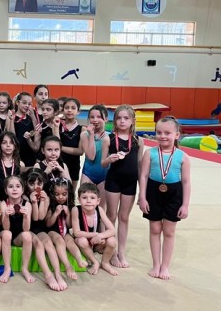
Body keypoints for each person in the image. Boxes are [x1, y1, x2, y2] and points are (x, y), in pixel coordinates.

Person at [138, 116, 191, 280]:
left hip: (174, 195)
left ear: (177, 135)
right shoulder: (150, 153)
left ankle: (165, 266)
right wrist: (142, 197)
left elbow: (186, 182)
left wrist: (185, 205)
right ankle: (156, 264)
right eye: (159, 132)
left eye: (167, 133)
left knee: (169, 231)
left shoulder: (183, 156)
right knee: (154, 229)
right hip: (153, 193)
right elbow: (143, 176)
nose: (162, 136)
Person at [0, 175, 65, 291]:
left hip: (20, 235)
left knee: (28, 235)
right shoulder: (4, 203)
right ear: (5, 190)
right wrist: (6, 215)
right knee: (6, 234)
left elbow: (26, 229)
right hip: (8, 233)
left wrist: (26, 216)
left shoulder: (27, 204)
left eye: (17, 186)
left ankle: (33, 271)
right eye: (10, 187)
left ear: (22, 190)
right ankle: (7, 268)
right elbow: (6, 228)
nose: (14, 189)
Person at [101, 104, 144, 269]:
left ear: (133, 121)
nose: (122, 121)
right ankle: (110, 250)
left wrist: (142, 191)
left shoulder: (138, 141)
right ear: (114, 121)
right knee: (111, 215)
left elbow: (140, 166)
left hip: (130, 183)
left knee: (124, 217)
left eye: (126, 118)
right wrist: (109, 159)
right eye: (119, 118)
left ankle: (121, 252)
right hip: (113, 181)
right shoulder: (109, 139)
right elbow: (103, 163)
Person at [24, 170, 69, 290]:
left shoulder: (46, 197)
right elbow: (34, 217)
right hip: (27, 228)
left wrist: (43, 201)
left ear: (43, 184)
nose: (36, 187)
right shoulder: (24, 197)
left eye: (39, 184)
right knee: (39, 244)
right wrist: (34, 202)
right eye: (32, 184)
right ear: (26, 183)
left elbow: (41, 217)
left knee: (48, 243)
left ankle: (58, 274)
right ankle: (48, 275)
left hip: (39, 228)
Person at [71, 183, 118, 276]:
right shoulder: (76, 210)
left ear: (98, 201)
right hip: (83, 243)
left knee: (112, 241)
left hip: (96, 243)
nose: (88, 201)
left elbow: (113, 230)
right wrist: (95, 235)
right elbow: (76, 233)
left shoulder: (99, 210)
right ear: (79, 200)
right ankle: (95, 262)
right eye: (84, 197)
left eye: (92, 198)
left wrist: (100, 236)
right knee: (81, 240)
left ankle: (105, 263)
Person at [45, 176, 87, 279]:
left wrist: (68, 214)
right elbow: (48, 224)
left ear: (69, 194)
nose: (60, 197)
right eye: (57, 194)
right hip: (52, 231)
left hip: (65, 231)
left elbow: (69, 225)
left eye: (64, 194)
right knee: (60, 241)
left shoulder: (71, 206)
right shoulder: (51, 206)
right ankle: (68, 265)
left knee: (70, 241)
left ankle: (79, 259)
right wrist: (55, 214)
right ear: (52, 194)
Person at [80, 104, 110, 209]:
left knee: (101, 208)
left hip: (104, 177)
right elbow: (91, 156)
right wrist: (91, 135)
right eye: (92, 117)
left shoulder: (110, 137)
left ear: (106, 119)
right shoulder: (85, 135)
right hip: (88, 175)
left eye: (99, 117)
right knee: (85, 206)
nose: (95, 120)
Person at [0, 131, 25, 199]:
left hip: (15, 198)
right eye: (4, 142)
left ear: (15, 146)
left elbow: (21, 184)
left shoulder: (21, 164)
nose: (8, 145)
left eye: (11, 142)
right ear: (0, 145)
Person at [8, 91, 40, 168]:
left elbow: (37, 131)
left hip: (30, 152)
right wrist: (11, 120)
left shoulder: (31, 118)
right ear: (17, 102)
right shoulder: (12, 117)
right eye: (24, 103)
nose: (27, 106)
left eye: (29, 104)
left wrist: (33, 116)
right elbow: (11, 136)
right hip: (17, 152)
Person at [59, 98, 84, 190]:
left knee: (71, 194)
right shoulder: (57, 125)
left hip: (73, 166)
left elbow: (80, 151)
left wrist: (60, 148)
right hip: (59, 164)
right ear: (63, 110)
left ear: (78, 112)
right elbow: (55, 143)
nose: (69, 110)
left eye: (73, 108)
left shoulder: (82, 129)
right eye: (67, 108)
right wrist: (55, 127)